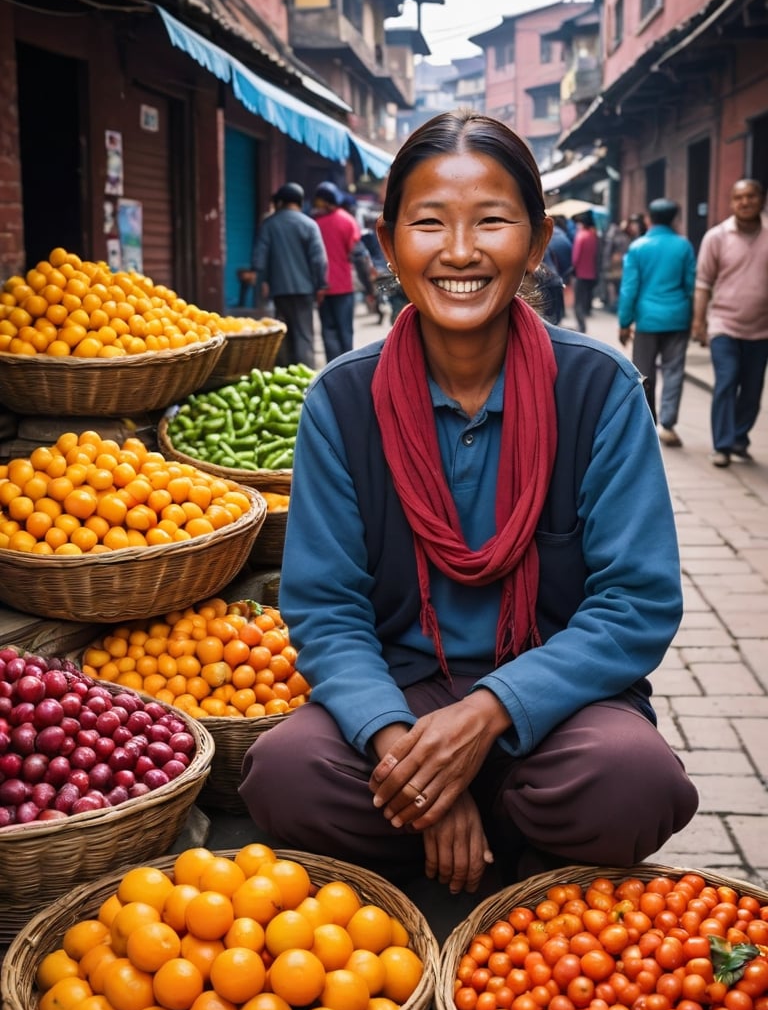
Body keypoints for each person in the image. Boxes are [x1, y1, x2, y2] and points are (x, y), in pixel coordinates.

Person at [239, 110, 698, 895]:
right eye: (428, 224)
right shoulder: (342, 399)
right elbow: (325, 608)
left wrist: (488, 716)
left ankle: (480, 841)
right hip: (402, 692)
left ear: (538, 239)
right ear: (388, 244)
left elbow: (634, 603)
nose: (459, 252)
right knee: (285, 773)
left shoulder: (598, 389)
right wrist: (408, 755)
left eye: (491, 221)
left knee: (634, 779)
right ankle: (480, 839)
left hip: (556, 704)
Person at [691, 178, 768, 467]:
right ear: (732, 202)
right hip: (724, 324)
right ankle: (722, 445)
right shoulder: (717, 237)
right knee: (726, 380)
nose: (745, 202)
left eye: (751, 196)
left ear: (761, 199)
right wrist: (699, 323)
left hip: (762, 329)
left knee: (752, 387)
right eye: (739, 198)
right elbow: (703, 283)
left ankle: (740, 438)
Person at [618, 198, 697, 447]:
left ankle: (647, 421)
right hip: (677, 317)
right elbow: (690, 284)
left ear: (649, 219)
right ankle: (669, 424)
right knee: (674, 371)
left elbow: (629, 288)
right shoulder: (683, 246)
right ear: (675, 219)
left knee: (644, 372)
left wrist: (624, 321)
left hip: (648, 319)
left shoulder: (639, 247)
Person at [252, 183, 327, 368]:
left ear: (280, 202)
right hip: (304, 290)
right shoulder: (310, 225)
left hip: (278, 289)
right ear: (300, 202)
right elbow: (319, 259)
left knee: (282, 334)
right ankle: (307, 380)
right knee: (304, 336)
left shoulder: (269, 224)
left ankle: (284, 375)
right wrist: (321, 284)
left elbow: (259, 258)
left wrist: (262, 282)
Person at [311, 181, 361, 362]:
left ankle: (332, 368)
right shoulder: (348, 221)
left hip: (322, 286)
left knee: (328, 330)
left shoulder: (315, 223)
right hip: (344, 285)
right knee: (345, 330)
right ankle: (348, 367)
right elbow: (355, 252)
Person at [571, 211, 600, 332]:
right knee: (585, 299)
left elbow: (576, 257)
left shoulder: (580, 236)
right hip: (591, 272)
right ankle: (584, 321)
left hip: (580, 273)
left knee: (577, 303)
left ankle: (581, 326)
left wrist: (573, 267)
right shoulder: (594, 236)